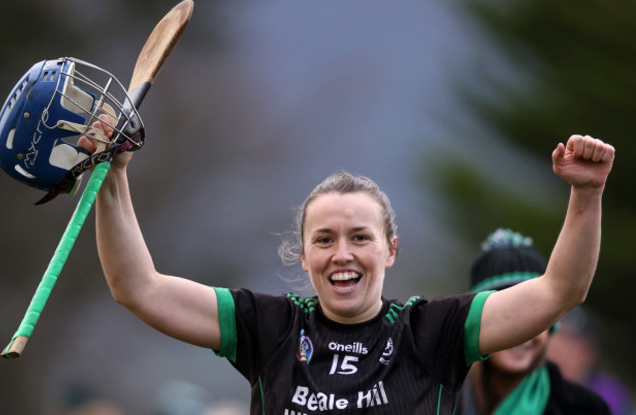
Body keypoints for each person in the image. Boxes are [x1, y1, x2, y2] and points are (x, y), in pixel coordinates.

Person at [80, 127, 614, 414]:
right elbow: (137, 288)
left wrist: (586, 195)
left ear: (390, 250)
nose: (342, 254)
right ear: (303, 254)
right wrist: (113, 179)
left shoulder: (434, 332)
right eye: (325, 240)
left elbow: (561, 290)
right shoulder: (267, 328)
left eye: (361, 237)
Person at [457, 228, 611, 415]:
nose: (523, 333)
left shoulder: (582, 410)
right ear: (477, 322)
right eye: (507, 314)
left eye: (535, 319)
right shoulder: (431, 385)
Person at [547, 306, 634, 415]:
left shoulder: (608, 395)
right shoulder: (535, 389)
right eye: (555, 342)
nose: (559, 353)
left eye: (571, 345)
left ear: (590, 351)